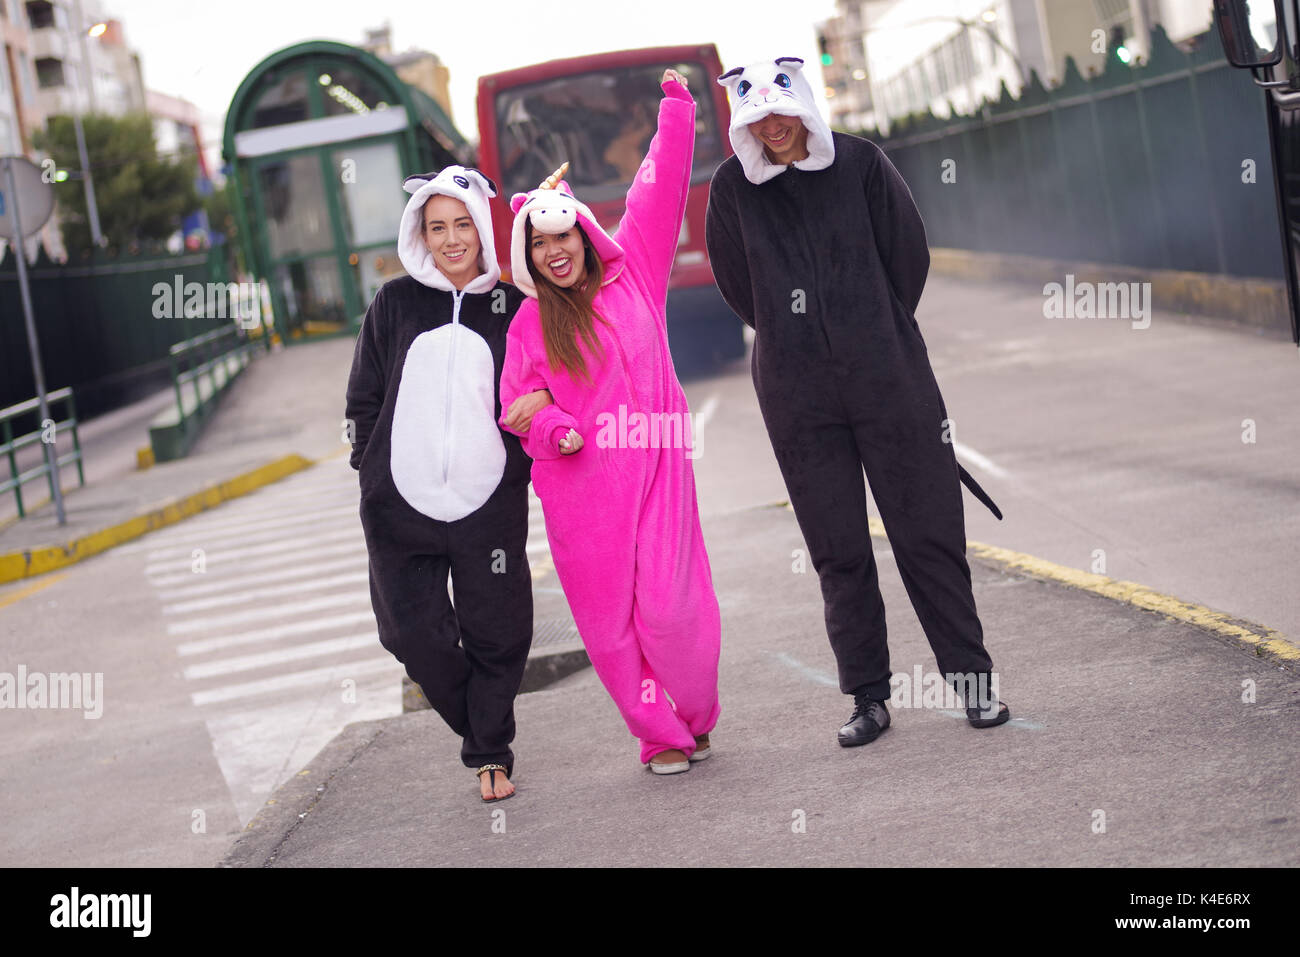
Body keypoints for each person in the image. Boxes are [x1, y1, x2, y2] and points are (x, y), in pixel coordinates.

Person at [704, 56, 1011, 748]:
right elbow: (735, 282)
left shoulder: (861, 163)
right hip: (796, 394)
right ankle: (868, 698)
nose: (774, 127)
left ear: (804, 104)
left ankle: (974, 682)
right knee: (838, 551)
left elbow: (909, 255)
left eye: (782, 112)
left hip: (890, 379)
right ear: (744, 122)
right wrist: (794, 335)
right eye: (758, 118)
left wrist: (873, 325)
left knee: (928, 532)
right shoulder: (731, 190)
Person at [497, 70, 722, 775]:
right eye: (539, 244)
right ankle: (658, 734)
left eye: (563, 235)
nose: (554, 250)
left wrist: (677, 113)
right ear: (528, 258)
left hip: (655, 465)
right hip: (581, 493)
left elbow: (655, 191)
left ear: (585, 234)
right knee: (613, 631)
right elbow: (517, 409)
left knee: (671, 608)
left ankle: (694, 711)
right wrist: (553, 427)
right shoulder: (530, 324)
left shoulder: (637, 275)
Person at [345, 165, 552, 802]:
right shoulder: (394, 303)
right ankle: (479, 721)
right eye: (437, 227)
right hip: (399, 506)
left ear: (480, 229)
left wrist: (540, 399)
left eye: (462, 224)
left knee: (501, 629)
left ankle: (490, 751)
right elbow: (364, 397)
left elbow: (544, 380)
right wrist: (368, 465)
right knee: (410, 634)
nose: (452, 239)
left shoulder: (515, 305)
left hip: (486, 504)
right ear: (420, 234)